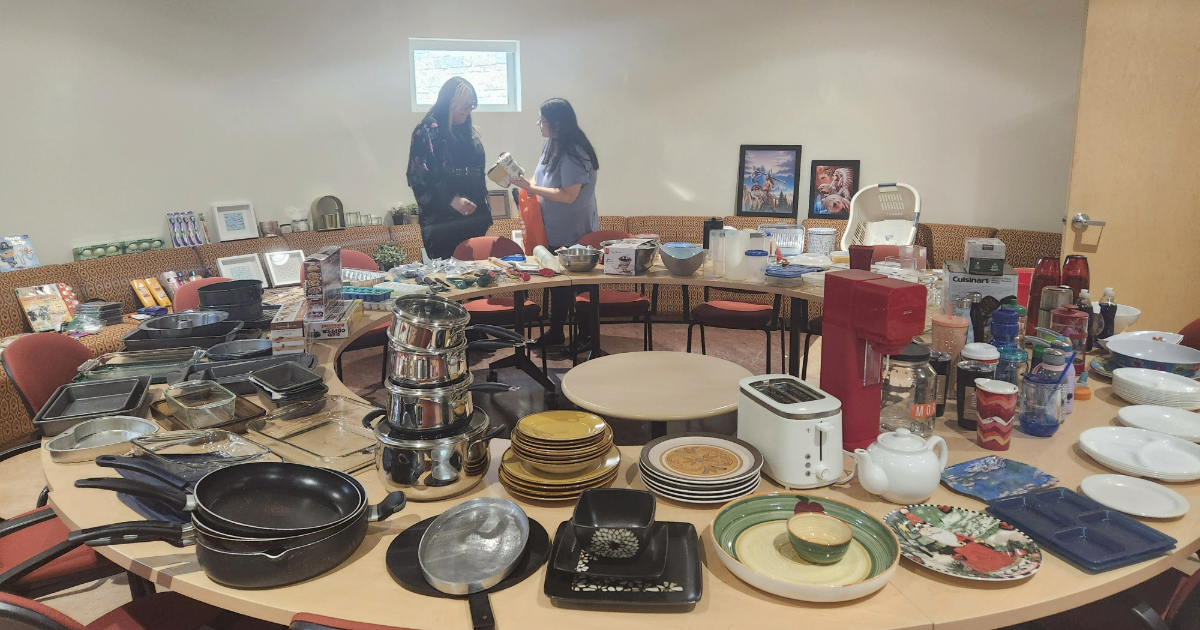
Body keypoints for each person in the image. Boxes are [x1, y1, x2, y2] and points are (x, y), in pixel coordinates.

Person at [509, 98, 600, 347]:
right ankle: (556, 333)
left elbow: (568, 195)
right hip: (552, 228)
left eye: (543, 120)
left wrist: (531, 187)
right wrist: (520, 182)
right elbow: (543, 181)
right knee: (557, 286)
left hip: (574, 230)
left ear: (557, 124)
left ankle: (585, 337)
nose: (539, 124)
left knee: (576, 287)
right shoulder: (551, 145)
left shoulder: (573, 151)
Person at [407, 77, 492, 260]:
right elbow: (418, 176)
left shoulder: (468, 130)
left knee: (478, 275)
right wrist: (451, 199)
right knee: (451, 278)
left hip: (475, 215)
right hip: (444, 220)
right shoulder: (427, 130)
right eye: (463, 106)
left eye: (471, 106)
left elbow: (477, 170)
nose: (468, 111)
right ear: (449, 103)